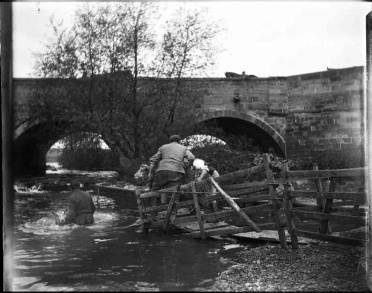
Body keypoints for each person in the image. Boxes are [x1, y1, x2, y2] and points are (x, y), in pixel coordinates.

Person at [148, 134, 195, 205]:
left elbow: (153, 160)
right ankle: (173, 214)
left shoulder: (163, 147)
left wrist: (150, 173)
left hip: (162, 170)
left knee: (155, 190)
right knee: (175, 193)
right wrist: (186, 167)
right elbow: (191, 157)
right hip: (177, 171)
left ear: (169, 141)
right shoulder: (183, 148)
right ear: (179, 141)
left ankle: (153, 211)